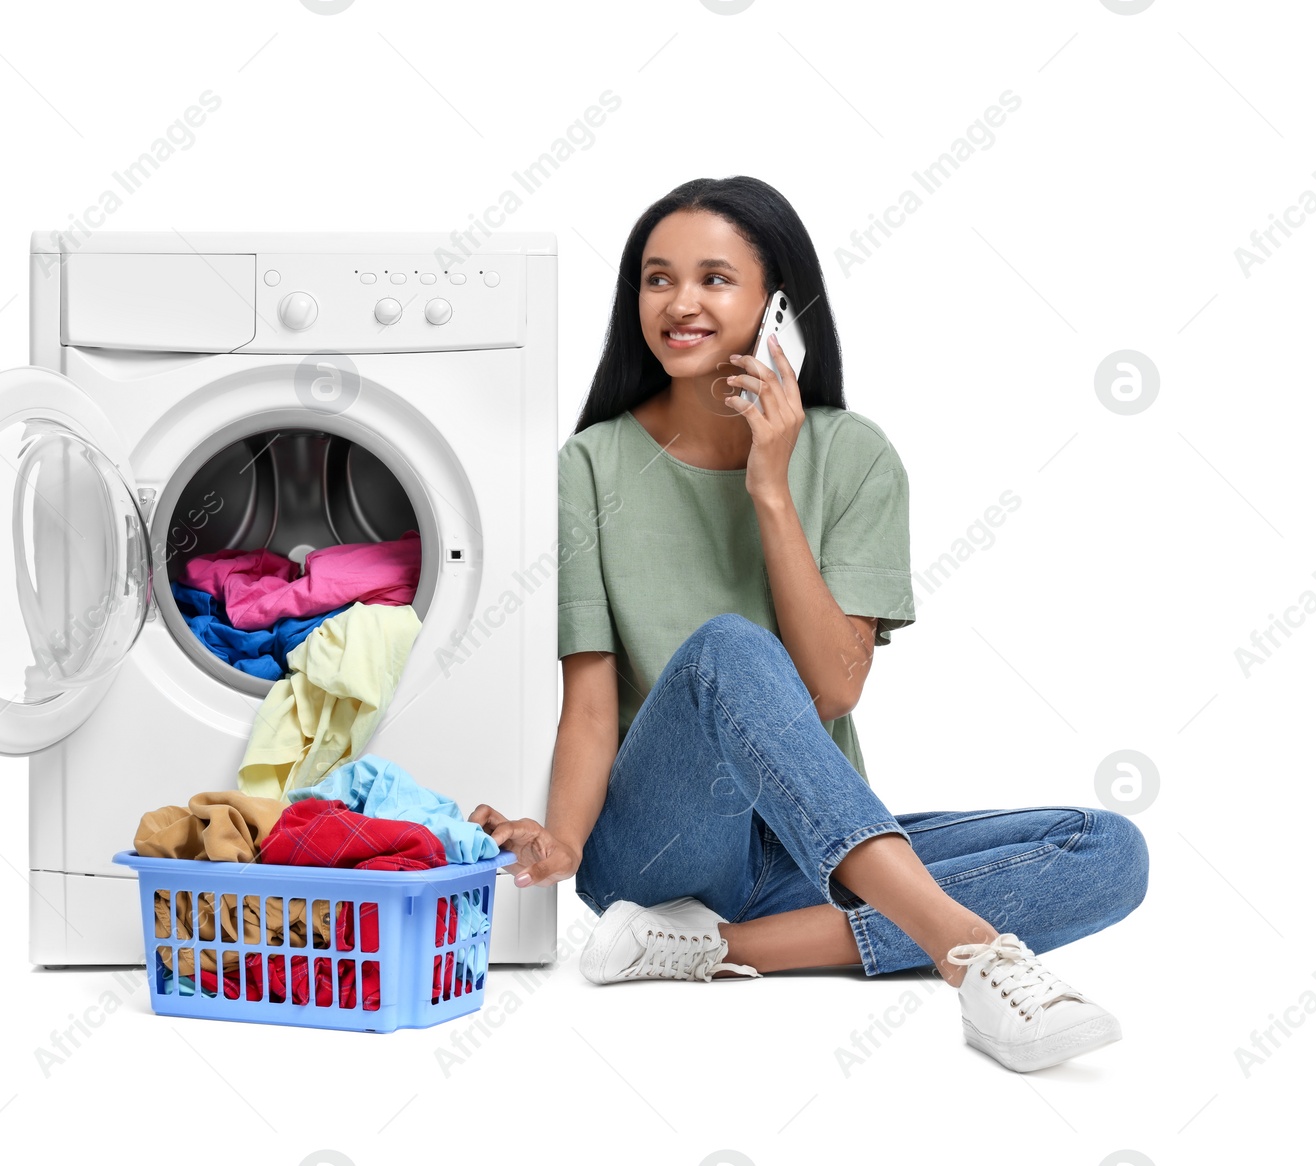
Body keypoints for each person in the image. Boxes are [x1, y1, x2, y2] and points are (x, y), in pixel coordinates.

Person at [468, 176, 1149, 1074]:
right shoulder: (591, 465)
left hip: (806, 849)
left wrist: (770, 483)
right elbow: (591, 704)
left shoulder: (855, 456)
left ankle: (713, 949)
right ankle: (968, 955)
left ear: (777, 304)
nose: (678, 304)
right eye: (656, 278)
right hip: (657, 847)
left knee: (1108, 851)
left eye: (715, 279)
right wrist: (562, 839)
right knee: (727, 649)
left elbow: (832, 687)